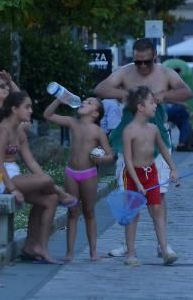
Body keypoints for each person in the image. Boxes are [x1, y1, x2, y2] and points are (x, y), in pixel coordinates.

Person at [94, 38, 192, 259]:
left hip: (156, 137)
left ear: (154, 56)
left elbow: (186, 92)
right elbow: (100, 88)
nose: (142, 67)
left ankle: (162, 245)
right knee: (129, 193)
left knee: (159, 195)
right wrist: (126, 95)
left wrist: (164, 96)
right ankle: (128, 244)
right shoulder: (126, 72)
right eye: (138, 62)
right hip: (129, 137)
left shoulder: (165, 73)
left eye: (147, 62)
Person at [0, 90, 77, 265]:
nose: (30, 111)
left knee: (50, 199)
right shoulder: (2, 131)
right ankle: (62, 194)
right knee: (49, 182)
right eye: (26, 107)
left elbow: (31, 162)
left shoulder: (19, 132)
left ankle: (35, 247)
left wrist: (39, 178)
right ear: (14, 109)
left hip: (13, 173)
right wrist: (12, 189)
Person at [43, 95, 115, 262]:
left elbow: (110, 155)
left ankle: (93, 251)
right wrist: (58, 100)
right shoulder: (72, 122)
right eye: (84, 101)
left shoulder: (97, 131)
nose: (84, 102)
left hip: (89, 174)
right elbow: (47, 115)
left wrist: (102, 159)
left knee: (89, 212)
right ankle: (69, 252)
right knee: (72, 211)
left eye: (89, 103)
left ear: (95, 114)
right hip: (71, 173)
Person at [121, 86, 180, 267]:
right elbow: (128, 161)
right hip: (133, 176)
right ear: (140, 107)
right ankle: (130, 253)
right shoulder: (129, 131)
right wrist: (138, 183)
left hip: (151, 173)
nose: (155, 105)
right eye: (151, 102)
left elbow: (163, 148)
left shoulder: (154, 128)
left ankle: (164, 250)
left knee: (157, 210)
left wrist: (173, 168)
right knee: (132, 215)